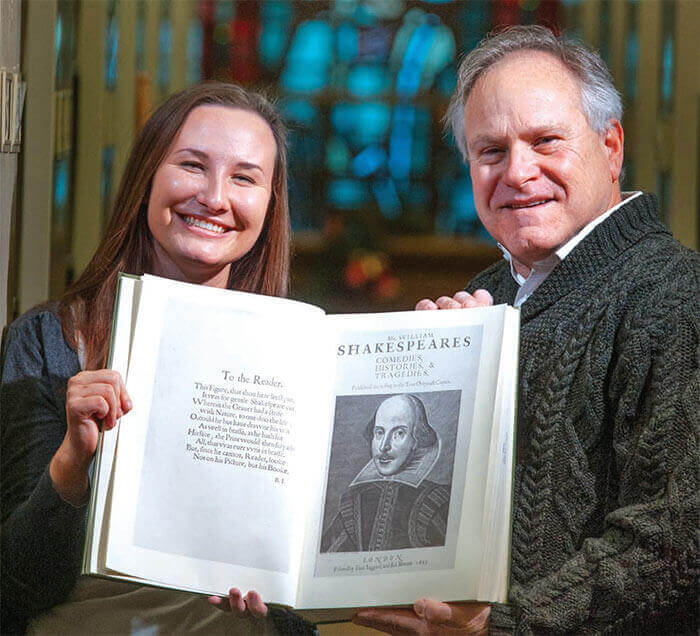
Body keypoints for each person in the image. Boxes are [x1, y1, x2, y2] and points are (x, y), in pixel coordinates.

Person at [354, 25, 699, 635]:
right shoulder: (488, 293)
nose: (517, 172)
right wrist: (443, 377)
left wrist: (504, 626)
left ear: (611, 146)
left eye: (546, 141)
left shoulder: (677, 295)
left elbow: (680, 536)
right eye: (490, 151)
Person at [1, 82, 314, 634]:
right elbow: (16, 585)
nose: (215, 197)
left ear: (270, 204)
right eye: (192, 166)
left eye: (244, 177)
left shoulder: (297, 361)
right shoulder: (50, 341)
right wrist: (73, 462)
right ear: (147, 177)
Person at [321, 394, 450, 553]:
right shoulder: (354, 500)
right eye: (379, 433)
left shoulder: (436, 502)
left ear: (417, 440)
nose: (384, 446)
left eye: (399, 433)